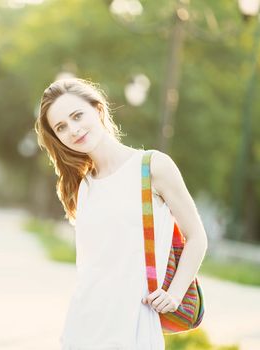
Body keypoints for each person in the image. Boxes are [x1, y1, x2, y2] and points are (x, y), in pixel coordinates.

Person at [34, 78, 208, 350]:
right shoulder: (83, 186)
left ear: (98, 110)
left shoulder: (152, 167)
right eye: (61, 127)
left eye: (77, 115)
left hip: (135, 327)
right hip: (83, 328)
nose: (74, 129)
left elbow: (196, 236)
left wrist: (174, 295)